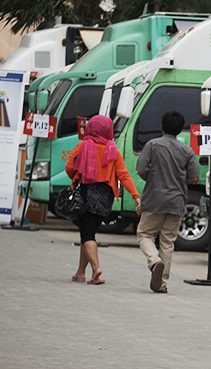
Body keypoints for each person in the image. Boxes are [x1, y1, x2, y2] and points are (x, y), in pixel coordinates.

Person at [65, 114, 141, 285]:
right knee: (88, 233)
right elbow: (123, 175)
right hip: (105, 198)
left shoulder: (83, 146)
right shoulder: (113, 150)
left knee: (87, 234)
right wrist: (136, 196)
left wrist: (76, 176)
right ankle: (80, 273)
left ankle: (95, 269)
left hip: (86, 194)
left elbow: (69, 167)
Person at [135, 110, 200, 293]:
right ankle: (162, 284)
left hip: (154, 199)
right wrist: (179, 180)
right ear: (180, 130)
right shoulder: (187, 150)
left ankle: (154, 261)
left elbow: (141, 169)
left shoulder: (152, 145)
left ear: (161, 127)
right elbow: (195, 179)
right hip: (176, 202)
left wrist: (154, 178)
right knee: (167, 242)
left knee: (145, 234)